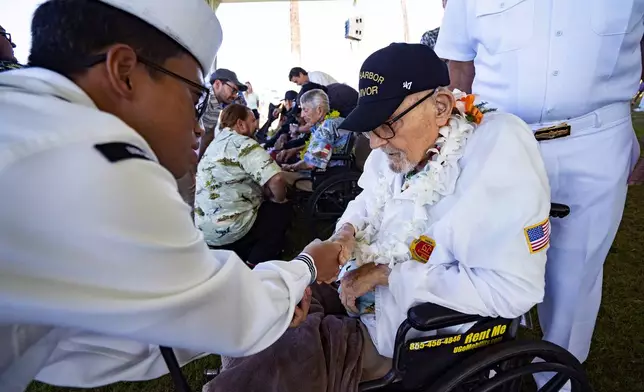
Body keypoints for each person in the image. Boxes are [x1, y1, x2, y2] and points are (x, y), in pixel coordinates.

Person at [0, 1, 343, 391]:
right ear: (124, 72)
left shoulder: (31, 122)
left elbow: (90, 343)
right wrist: (307, 268)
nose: (198, 126)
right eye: (195, 98)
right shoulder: (89, 158)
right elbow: (234, 316)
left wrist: (267, 305)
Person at [203, 43, 551, 392]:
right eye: (369, 128)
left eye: (384, 125)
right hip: (356, 289)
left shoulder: (499, 151)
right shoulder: (398, 145)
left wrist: (387, 275)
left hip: (411, 329)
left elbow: (514, 290)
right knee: (273, 311)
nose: (375, 143)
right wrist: (346, 233)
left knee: (283, 361)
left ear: (442, 107)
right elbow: (368, 197)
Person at [434, 0, 643, 370]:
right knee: (483, 257)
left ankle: (559, 375)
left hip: (597, 141)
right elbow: (459, 66)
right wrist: (451, 141)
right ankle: (482, 364)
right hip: (498, 140)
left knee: (576, 277)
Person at [195, 104, 291, 267]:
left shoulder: (217, 142)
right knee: (281, 210)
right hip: (231, 230)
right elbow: (277, 180)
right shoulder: (243, 143)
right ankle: (254, 264)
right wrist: (279, 199)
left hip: (205, 231)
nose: (256, 125)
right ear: (240, 124)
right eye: (253, 120)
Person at [281, 89, 351, 191]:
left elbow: (311, 164)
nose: (302, 115)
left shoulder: (326, 128)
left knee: (278, 177)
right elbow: (323, 149)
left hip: (326, 177)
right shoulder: (336, 121)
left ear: (319, 110)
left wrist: (291, 166)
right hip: (339, 173)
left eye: (305, 110)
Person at [199, 68, 247, 159]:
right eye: (233, 90)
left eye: (237, 92)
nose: (235, 96)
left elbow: (208, 135)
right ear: (217, 84)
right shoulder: (202, 97)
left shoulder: (217, 103)